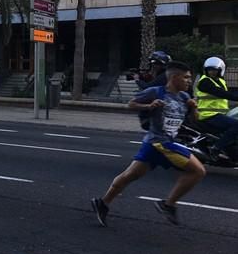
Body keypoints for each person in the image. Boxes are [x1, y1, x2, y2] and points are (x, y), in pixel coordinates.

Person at [92, 61, 206, 227]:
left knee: (129, 176)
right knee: (198, 171)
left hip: (158, 144)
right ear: (175, 78)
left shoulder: (184, 97)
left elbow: (195, 121)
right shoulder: (156, 91)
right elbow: (131, 104)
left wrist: (194, 108)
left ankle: (102, 203)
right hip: (159, 142)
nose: (189, 81)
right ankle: (168, 205)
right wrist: (149, 106)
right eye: (186, 78)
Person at [195, 56, 238, 161]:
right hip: (208, 115)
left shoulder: (220, 81)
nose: (212, 72)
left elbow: (228, 93)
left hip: (219, 115)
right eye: (209, 70)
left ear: (220, 71)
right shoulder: (205, 82)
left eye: (215, 70)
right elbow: (221, 93)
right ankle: (216, 148)